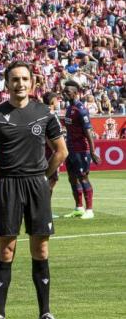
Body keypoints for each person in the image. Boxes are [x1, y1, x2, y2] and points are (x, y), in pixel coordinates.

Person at [0, 61, 68, 319]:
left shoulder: (45, 113)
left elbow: (61, 151)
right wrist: (3, 177)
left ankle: (45, 313)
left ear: (33, 83)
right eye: (15, 79)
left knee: (40, 248)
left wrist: (43, 175)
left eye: (25, 79)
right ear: (6, 84)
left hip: (36, 185)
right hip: (9, 186)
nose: (20, 84)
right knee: (7, 249)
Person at [61, 80, 101, 219]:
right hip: (70, 148)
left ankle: (89, 210)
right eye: (64, 91)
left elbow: (88, 131)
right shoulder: (69, 108)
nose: (64, 94)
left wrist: (92, 151)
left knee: (83, 177)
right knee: (72, 178)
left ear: (75, 93)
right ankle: (79, 207)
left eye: (67, 92)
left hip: (81, 149)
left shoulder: (81, 109)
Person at [42, 92, 62, 218]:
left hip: (46, 151)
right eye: (57, 100)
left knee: (49, 180)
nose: (59, 102)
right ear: (53, 102)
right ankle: (45, 210)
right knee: (51, 180)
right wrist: (56, 150)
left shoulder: (43, 114)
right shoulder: (50, 115)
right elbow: (48, 135)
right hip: (50, 153)